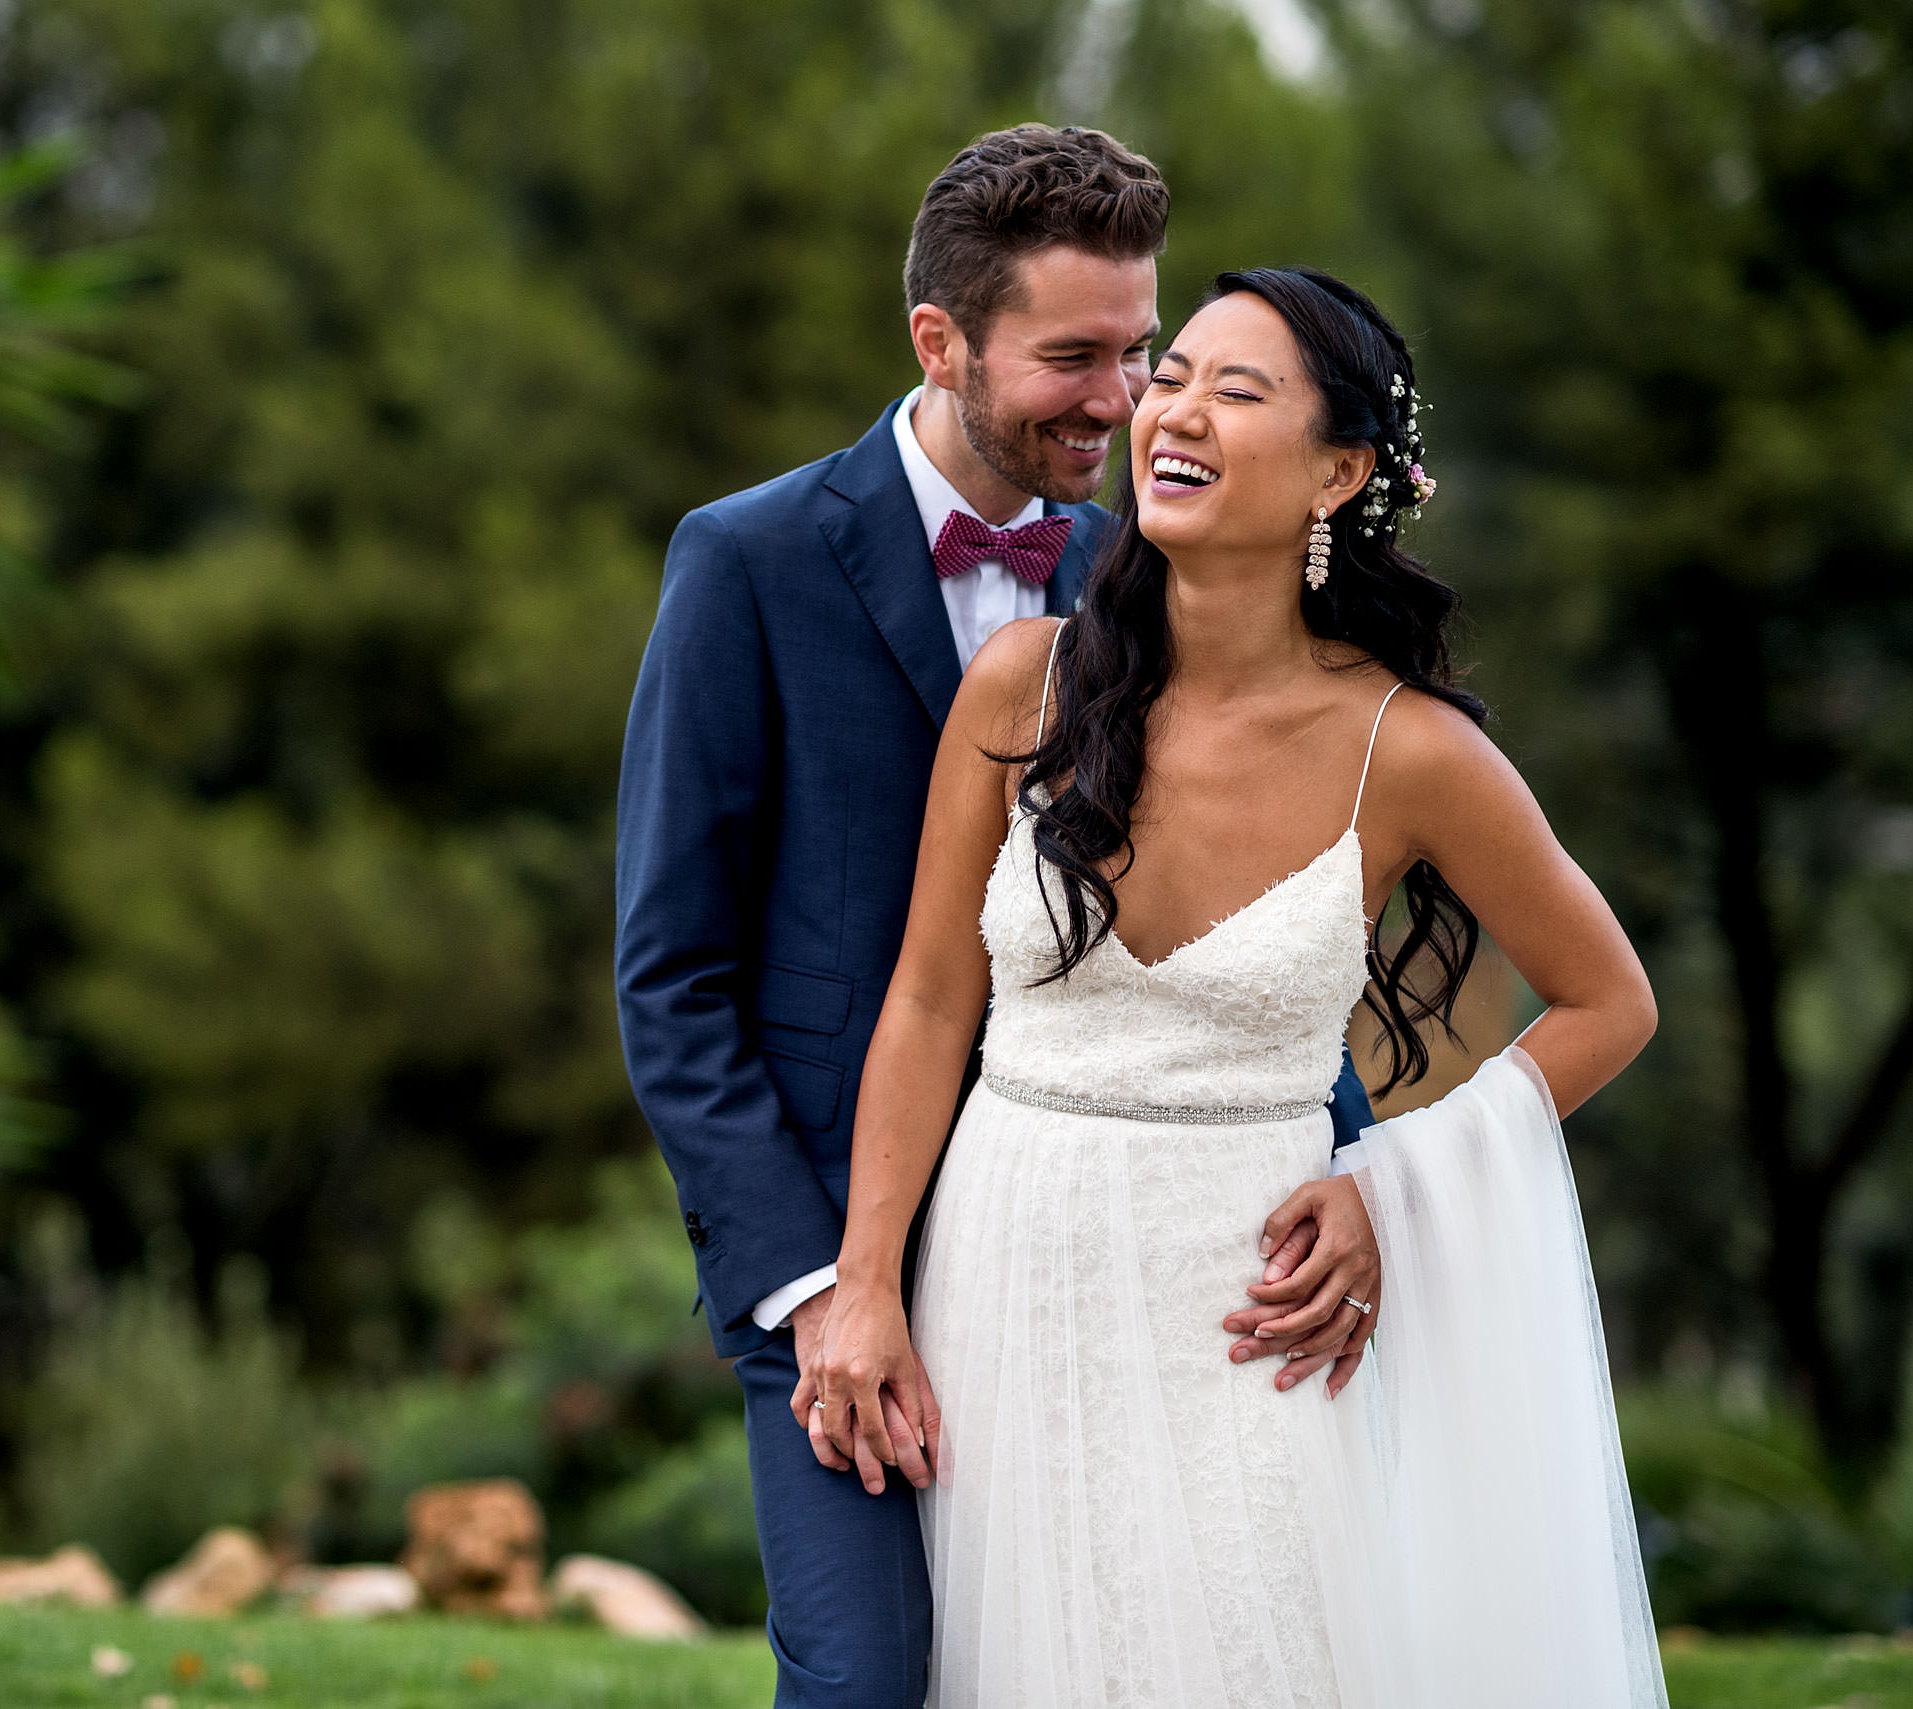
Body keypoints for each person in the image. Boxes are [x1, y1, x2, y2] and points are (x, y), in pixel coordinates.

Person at [800, 267, 1671, 1708]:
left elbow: (1608, 1000)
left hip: (1250, 1315)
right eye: (1176, 374)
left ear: (1340, 471)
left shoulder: (1414, 750)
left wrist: (1395, 1182)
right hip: (1005, 1278)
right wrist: (869, 1281)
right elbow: (929, 1005)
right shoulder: (1024, 684)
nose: (1174, 410)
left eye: (1237, 390)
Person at [614, 132, 1377, 1708]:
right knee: (870, 1678)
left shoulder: (1154, 565)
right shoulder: (744, 562)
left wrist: (1363, 1178)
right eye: (1074, 357)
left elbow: (1264, 915)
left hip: (1131, 1260)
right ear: (941, 343)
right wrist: (819, 1285)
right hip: (841, 1253)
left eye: (1143, 350)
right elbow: (672, 975)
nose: (1123, 401)